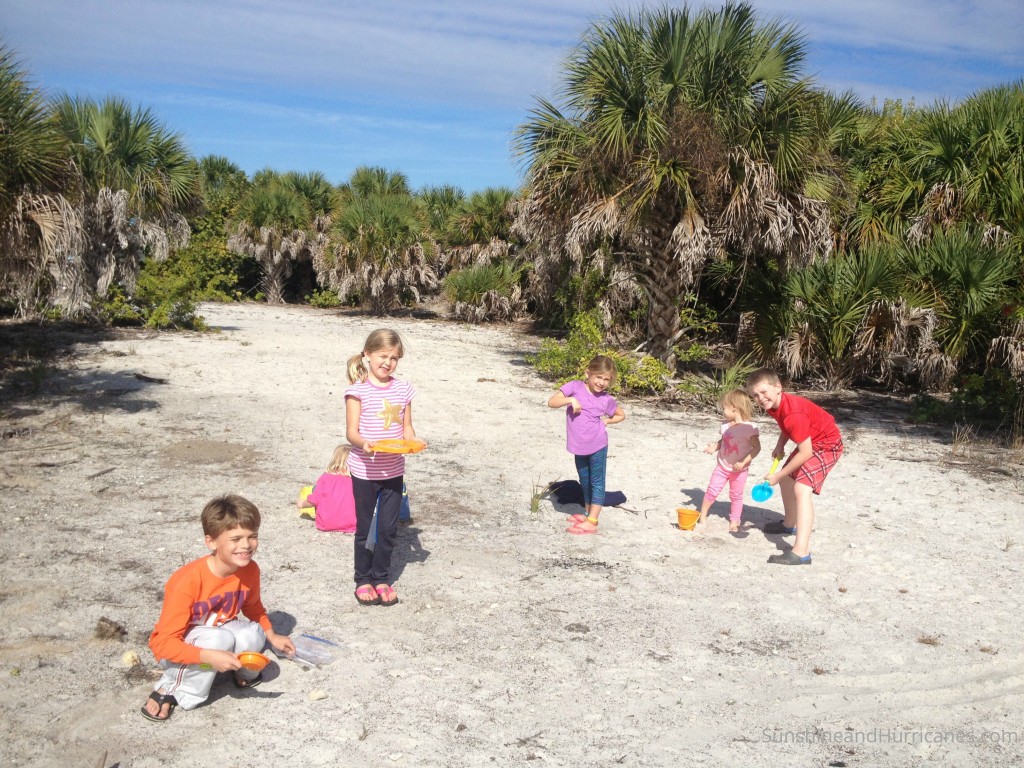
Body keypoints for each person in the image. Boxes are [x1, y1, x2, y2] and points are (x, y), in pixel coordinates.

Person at [140, 495, 296, 722]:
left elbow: (253, 607)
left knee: (252, 633)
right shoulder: (187, 580)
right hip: (181, 651)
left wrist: (272, 636)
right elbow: (162, 644)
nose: (246, 545)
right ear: (211, 542)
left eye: (252, 536)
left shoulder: (250, 570)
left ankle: (239, 672)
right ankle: (174, 688)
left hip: (215, 635)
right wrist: (207, 656)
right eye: (235, 538)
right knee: (217, 641)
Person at [345, 329, 419, 606]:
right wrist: (364, 443)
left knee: (388, 529)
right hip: (364, 471)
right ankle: (362, 579)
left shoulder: (403, 389)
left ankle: (382, 578)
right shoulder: (357, 391)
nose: (388, 363)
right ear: (367, 355)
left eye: (394, 358)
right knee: (366, 528)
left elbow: (407, 428)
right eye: (382, 356)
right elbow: (351, 432)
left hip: (393, 471)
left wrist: (414, 443)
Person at [746, 368, 844, 565]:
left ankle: (801, 551)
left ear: (778, 387)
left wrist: (777, 475)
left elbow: (806, 452)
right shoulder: (776, 405)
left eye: (764, 392)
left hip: (826, 445)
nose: (760, 398)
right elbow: (786, 425)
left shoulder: (794, 413)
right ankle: (789, 523)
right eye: (755, 395)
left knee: (801, 488)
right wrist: (780, 444)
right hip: (810, 441)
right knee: (787, 482)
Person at [547, 354, 626, 535]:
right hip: (579, 445)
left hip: (598, 444)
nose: (602, 382)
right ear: (588, 373)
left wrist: (606, 422)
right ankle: (588, 512)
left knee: (597, 481)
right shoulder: (574, 387)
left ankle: (593, 520)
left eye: (606, 379)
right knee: (584, 479)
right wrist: (571, 400)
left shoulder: (606, 399)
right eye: (599, 377)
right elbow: (552, 402)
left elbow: (621, 415)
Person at [698, 388, 760, 533]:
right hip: (722, 466)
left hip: (739, 470)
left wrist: (744, 461)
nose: (723, 411)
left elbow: (756, 448)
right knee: (712, 489)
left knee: (736, 494)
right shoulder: (725, 425)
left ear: (734, 408)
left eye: (724, 408)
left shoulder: (750, 428)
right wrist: (715, 447)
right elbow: (724, 440)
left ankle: (734, 520)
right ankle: (703, 516)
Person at [297, 444, 357, 532]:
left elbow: (315, 500)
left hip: (326, 524)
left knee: (316, 490)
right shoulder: (356, 481)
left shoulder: (325, 478)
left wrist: (301, 504)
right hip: (352, 524)